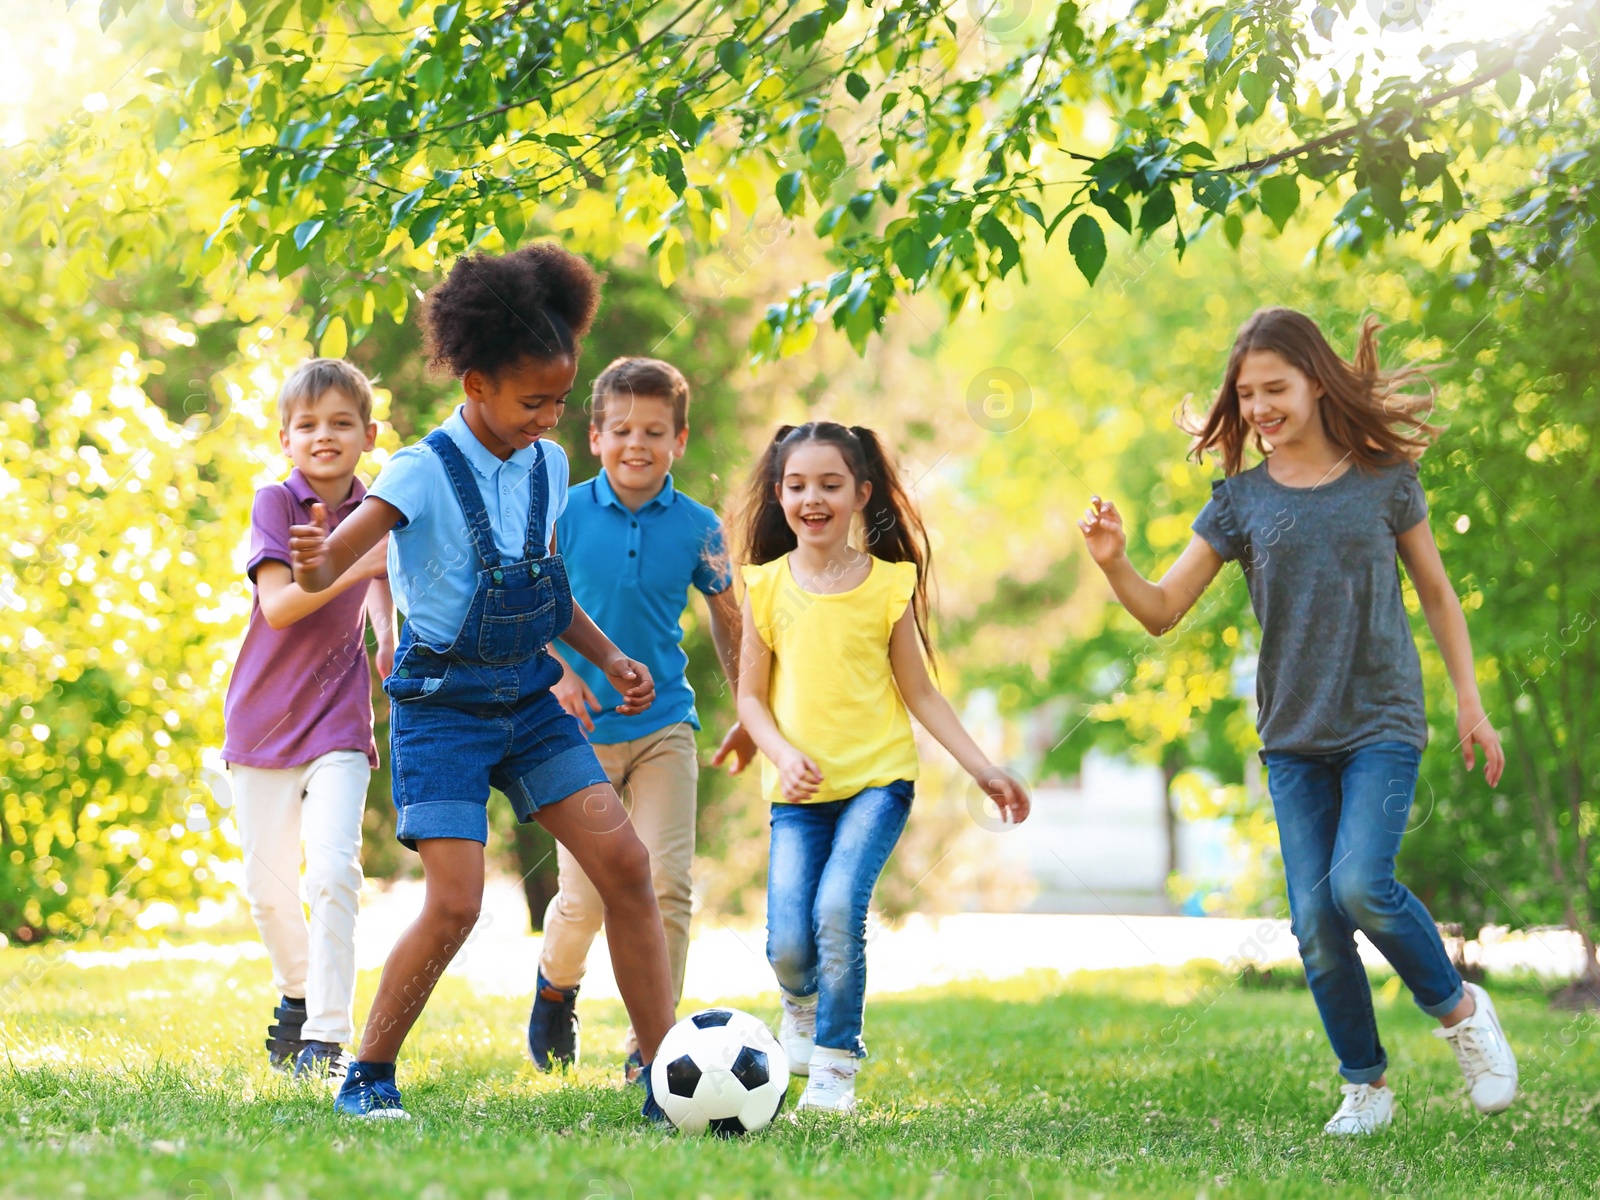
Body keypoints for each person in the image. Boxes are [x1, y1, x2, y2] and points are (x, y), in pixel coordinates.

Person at [1076, 307, 1517, 1136]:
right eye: (1246, 396)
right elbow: (1163, 608)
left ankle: (1460, 1014)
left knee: (1359, 885)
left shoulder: (1384, 479)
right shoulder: (1239, 503)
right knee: (1314, 920)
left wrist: (1470, 702)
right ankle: (1366, 1086)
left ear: (1317, 383)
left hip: (1382, 720)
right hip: (1293, 738)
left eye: (1274, 388)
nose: (1259, 408)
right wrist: (1115, 564)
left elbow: (1437, 591)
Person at [287, 243, 676, 1122]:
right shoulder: (421, 469)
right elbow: (331, 569)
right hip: (442, 712)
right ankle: (369, 1072)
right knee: (457, 903)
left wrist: (606, 655)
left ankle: (660, 1072)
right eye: (532, 400)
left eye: (560, 401)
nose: (549, 419)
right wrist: (313, 564)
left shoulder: (543, 467)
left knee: (625, 863)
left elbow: (544, 582)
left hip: (530, 702)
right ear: (475, 384)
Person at [735, 421, 1031, 1114]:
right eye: (798, 484)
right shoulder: (766, 587)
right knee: (785, 944)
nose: (814, 498)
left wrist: (982, 767)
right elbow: (749, 697)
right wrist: (780, 752)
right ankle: (800, 1006)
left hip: (877, 781)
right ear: (779, 495)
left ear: (862, 494)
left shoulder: (888, 585)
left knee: (839, 908)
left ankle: (837, 1063)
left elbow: (920, 692)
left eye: (830, 485)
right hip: (796, 792)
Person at [528, 356, 752, 1082]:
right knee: (584, 898)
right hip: (576, 733)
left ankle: (651, 1043)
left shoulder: (699, 527)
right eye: (621, 429)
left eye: (655, 432)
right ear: (595, 437)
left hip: (664, 728)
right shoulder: (561, 511)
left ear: (679, 441)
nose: (637, 444)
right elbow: (528, 599)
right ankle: (556, 987)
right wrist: (558, 673)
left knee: (667, 886)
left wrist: (749, 705)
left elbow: (727, 616)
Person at [221, 358, 392, 1084]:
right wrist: (355, 562)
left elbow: (386, 575)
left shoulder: (378, 508)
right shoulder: (275, 503)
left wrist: (387, 635)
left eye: (341, 423)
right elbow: (282, 605)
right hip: (260, 722)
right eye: (308, 425)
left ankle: (325, 1036)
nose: (325, 436)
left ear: (368, 434)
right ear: (285, 437)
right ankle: (297, 992)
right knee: (267, 891)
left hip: (338, 720)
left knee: (332, 870)